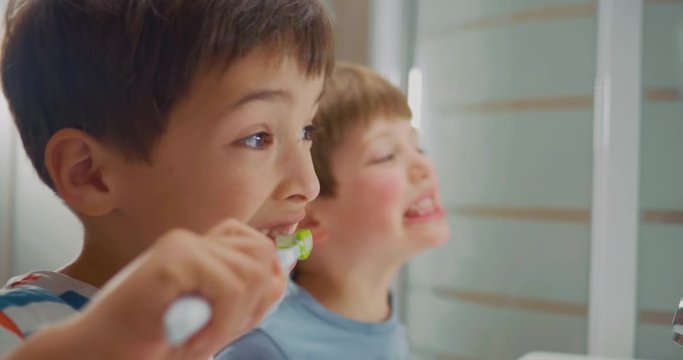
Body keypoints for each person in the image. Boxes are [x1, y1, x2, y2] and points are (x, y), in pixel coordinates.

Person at [0, 0, 334, 358]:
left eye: (306, 130)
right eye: (256, 138)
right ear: (90, 174)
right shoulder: (19, 328)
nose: (308, 184)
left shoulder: (222, 332)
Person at [218, 63, 450, 360]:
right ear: (311, 216)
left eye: (418, 147)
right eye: (385, 156)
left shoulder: (387, 329)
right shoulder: (265, 349)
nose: (423, 167)